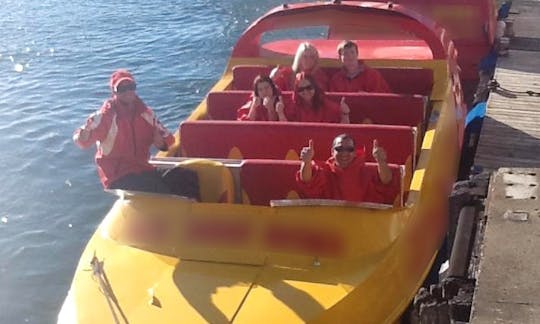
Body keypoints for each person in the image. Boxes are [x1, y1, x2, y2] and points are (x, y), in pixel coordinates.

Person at [73, 69, 199, 199]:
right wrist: (84, 133)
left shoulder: (146, 114)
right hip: (118, 176)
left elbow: (169, 141)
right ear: (114, 92)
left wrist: (160, 142)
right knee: (162, 190)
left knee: (187, 177)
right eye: (122, 88)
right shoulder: (105, 117)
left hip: (143, 169)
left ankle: (199, 212)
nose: (128, 91)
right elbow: (82, 141)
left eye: (131, 87)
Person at [296, 134, 394, 203]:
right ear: (332, 152)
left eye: (349, 149)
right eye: (339, 149)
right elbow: (307, 180)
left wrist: (381, 161)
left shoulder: (364, 170)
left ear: (355, 152)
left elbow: (386, 181)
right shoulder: (325, 169)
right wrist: (306, 161)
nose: (344, 153)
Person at [283, 74, 350, 123]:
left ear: (315, 87)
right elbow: (286, 129)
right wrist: (280, 112)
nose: (305, 92)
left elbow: (342, 130)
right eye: (301, 89)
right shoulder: (292, 107)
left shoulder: (326, 105)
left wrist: (345, 114)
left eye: (309, 87)